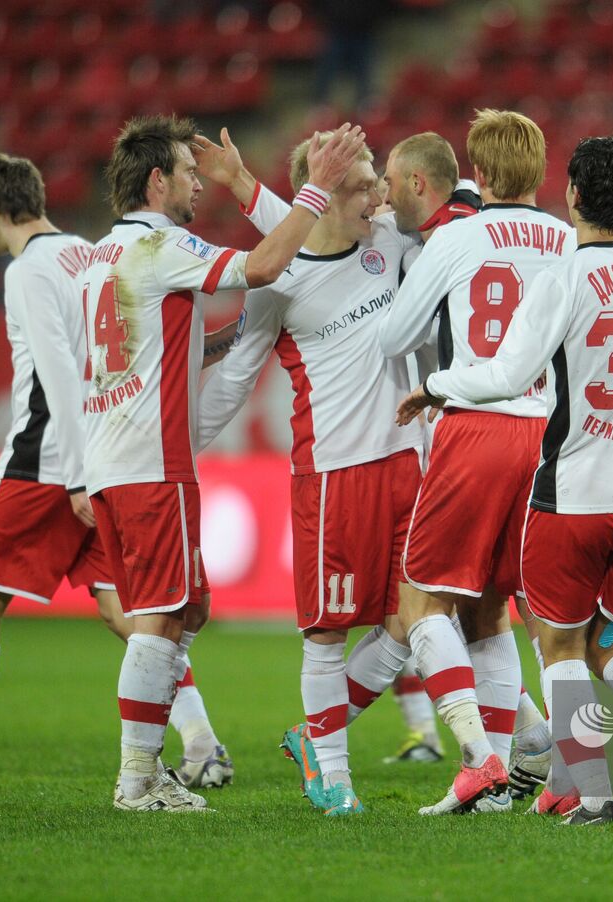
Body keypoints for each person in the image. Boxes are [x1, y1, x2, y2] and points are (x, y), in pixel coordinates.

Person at [0, 152, 227, 792]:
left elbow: (58, 370)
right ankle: (201, 742)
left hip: (46, 464)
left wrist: (76, 475)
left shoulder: (28, 270)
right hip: (110, 458)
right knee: (129, 612)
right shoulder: (89, 253)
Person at [395, 135, 613, 824]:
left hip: (572, 493)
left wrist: (434, 383)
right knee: (611, 646)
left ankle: (597, 799)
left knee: (560, 646)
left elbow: (507, 377)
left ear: (575, 195)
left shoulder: (566, 278)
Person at [80, 114, 365, 812]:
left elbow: (162, 345)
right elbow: (264, 266)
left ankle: (162, 765)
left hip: (112, 459)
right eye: (184, 173)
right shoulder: (162, 244)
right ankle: (137, 780)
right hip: (154, 462)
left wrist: (258, 327)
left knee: (182, 612)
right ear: (157, 180)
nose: (194, 186)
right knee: (161, 617)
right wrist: (315, 192)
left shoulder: (98, 258)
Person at [193, 129, 424, 816]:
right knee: (327, 633)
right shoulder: (277, 285)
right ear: (323, 198)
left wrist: (241, 185)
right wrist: (176, 452)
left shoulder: (388, 239)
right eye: (361, 185)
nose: (380, 194)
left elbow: (309, 217)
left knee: (415, 619)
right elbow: (234, 380)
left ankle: (314, 738)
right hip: (333, 478)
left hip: (409, 464)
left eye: (377, 180)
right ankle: (334, 775)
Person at [377, 110, 575, 814]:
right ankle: (502, 791)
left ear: (479, 176)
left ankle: (479, 758)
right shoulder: (565, 239)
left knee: (421, 600)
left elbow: (395, 334)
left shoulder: (461, 234)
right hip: (549, 435)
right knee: (494, 610)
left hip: (477, 429)